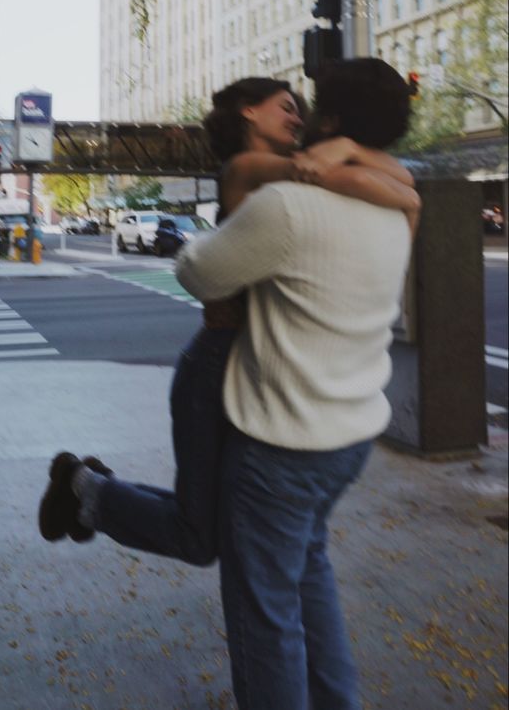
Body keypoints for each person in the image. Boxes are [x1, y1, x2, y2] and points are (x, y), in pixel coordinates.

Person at [38, 72, 419, 567]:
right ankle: (82, 488)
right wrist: (395, 189)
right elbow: (383, 181)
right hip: (216, 364)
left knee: (214, 527)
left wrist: (350, 150)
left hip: (251, 360)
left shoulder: (291, 167)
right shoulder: (248, 167)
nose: (297, 117)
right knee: (203, 535)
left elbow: (384, 178)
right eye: (285, 106)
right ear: (249, 111)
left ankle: (88, 491)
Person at [173, 57, 416, 710]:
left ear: (329, 121)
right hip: (349, 437)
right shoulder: (396, 209)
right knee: (308, 577)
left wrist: (197, 245)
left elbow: (198, 274)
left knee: (265, 617)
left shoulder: (287, 206)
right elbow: (401, 187)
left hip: (280, 445)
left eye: (307, 107)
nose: (299, 114)